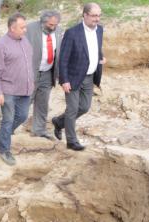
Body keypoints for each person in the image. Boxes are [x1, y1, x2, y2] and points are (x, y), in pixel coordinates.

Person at [52, 2, 104, 151]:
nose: (97, 19)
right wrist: (64, 80)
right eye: (94, 16)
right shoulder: (72, 32)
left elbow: (96, 48)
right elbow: (63, 58)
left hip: (89, 76)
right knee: (72, 108)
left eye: (99, 15)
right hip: (73, 77)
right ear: (85, 15)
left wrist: (101, 58)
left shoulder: (100, 30)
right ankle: (71, 141)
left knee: (85, 107)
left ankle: (59, 122)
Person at [0, 13, 33, 166]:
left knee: (22, 116)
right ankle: (4, 149)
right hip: (7, 89)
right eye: (22, 27)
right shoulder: (1, 45)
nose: (25, 30)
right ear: (12, 28)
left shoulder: (25, 41)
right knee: (8, 119)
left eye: (25, 26)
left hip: (25, 89)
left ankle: (1, 136)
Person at [25, 10, 62, 139]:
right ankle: (10, 128)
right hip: (31, 72)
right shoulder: (29, 29)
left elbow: (59, 51)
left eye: (55, 25)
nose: (53, 27)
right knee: (25, 102)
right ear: (43, 22)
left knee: (42, 103)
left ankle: (39, 130)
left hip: (48, 72)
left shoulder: (58, 30)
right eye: (51, 25)